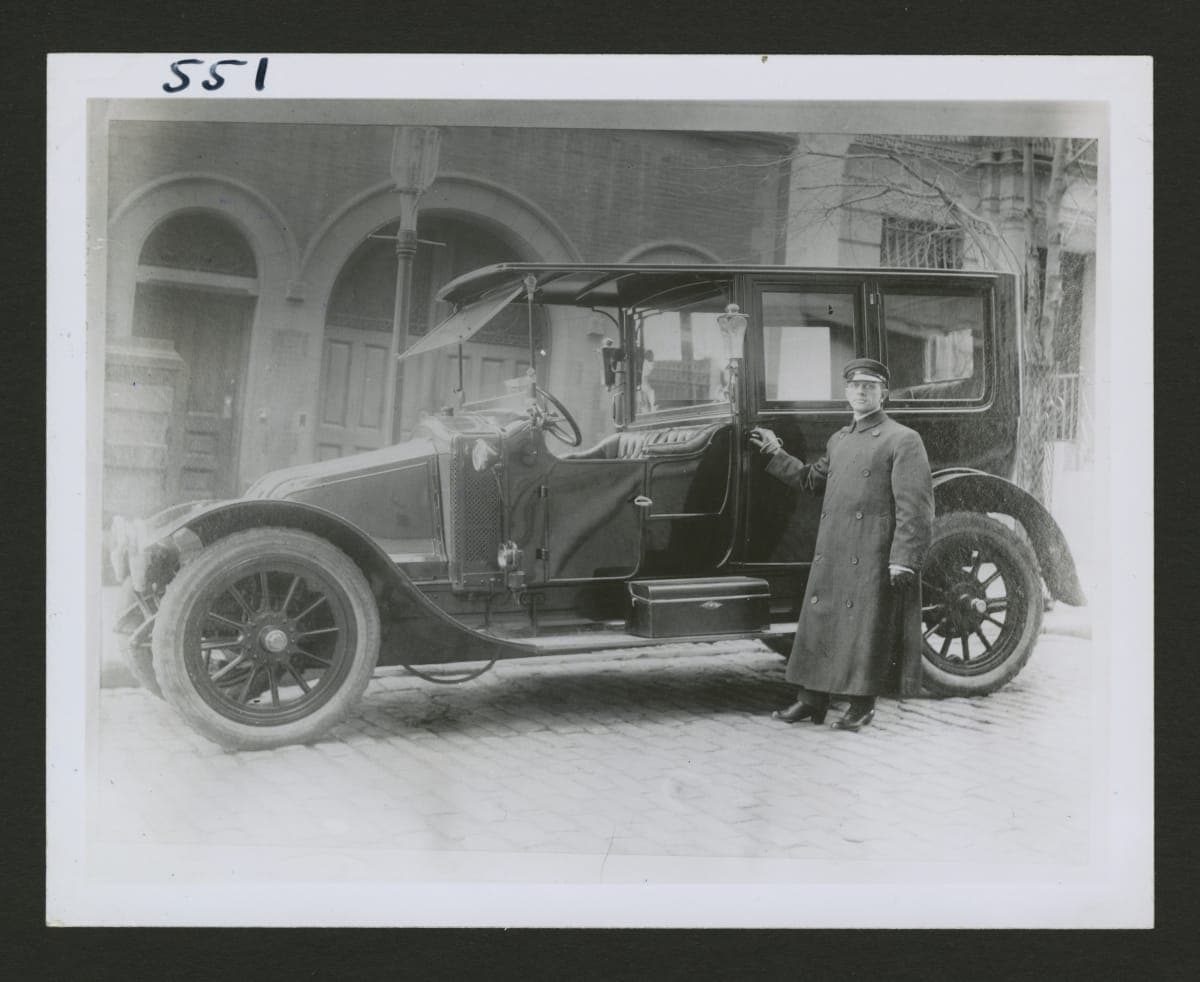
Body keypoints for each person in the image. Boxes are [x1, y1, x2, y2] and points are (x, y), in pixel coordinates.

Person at [749, 358, 934, 731]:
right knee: (822, 621)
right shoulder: (840, 439)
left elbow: (915, 508)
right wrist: (773, 452)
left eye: (870, 386)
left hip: (871, 551)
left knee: (862, 627)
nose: (861, 392)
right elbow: (808, 481)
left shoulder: (903, 439)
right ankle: (811, 700)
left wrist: (903, 559)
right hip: (833, 550)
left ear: (884, 393)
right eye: (855, 386)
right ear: (846, 392)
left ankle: (860, 705)